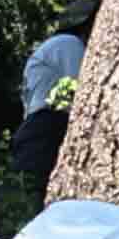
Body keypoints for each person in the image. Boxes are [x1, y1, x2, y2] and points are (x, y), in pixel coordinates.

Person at [14, 22, 86, 192]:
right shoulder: (69, 43)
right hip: (48, 127)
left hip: (34, 129)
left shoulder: (50, 47)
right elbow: (82, 87)